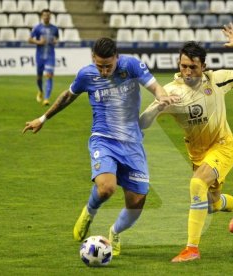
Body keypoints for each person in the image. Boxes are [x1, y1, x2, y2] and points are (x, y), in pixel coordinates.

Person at [22, 37, 179, 256]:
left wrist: (163, 97)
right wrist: (43, 118)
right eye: (100, 66)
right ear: (93, 59)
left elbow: (154, 86)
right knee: (107, 188)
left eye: (108, 66)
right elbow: (68, 96)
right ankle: (89, 212)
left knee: (136, 202)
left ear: (117, 58)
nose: (104, 72)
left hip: (132, 143)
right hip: (103, 139)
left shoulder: (131, 65)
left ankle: (114, 232)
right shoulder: (86, 75)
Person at [139, 23, 233, 262]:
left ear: (203, 67)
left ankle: (191, 249)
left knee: (197, 184)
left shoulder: (217, 80)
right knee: (211, 205)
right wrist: (158, 107)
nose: (187, 71)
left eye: (193, 67)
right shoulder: (170, 91)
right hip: (198, 155)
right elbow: (142, 123)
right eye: (183, 66)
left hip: (224, 146)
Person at [28, 9, 59, 106]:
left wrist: (55, 41)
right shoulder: (37, 28)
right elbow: (29, 39)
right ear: (42, 16)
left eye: (48, 15)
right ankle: (40, 91)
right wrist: (39, 42)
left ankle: (46, 99)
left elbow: (56, 38)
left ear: (50, 17)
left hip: (50, 55)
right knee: (39, 77)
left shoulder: (54, 28)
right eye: (45, 15)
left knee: (49, 76)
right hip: (40, 56)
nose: (47, 17)